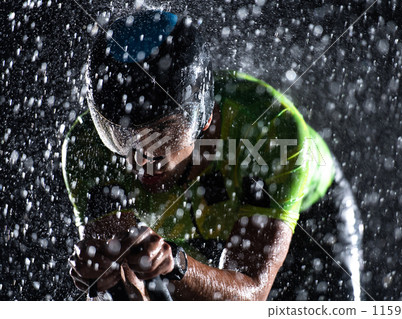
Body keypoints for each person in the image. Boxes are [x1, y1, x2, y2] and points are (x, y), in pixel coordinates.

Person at [63, 10, 363, 300]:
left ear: (202, 118)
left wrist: (175, 265)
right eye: (121, 134)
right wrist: (105, 275)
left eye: (163, 133)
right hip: (199, 229)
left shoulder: (272, 130)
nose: (141, 157)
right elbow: (129, 287)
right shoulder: (87, 145)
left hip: (309, 222)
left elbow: (250, 296)